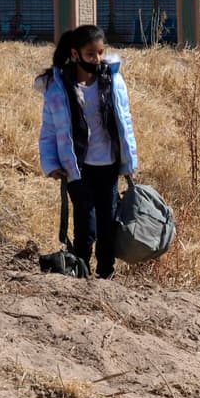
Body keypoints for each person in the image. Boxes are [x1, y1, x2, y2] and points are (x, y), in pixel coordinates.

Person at [37, 24, 139, 279]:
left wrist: (129, 159)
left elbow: (125, 121)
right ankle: (81, 275)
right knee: (86, 226)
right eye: (91, 54)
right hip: (77, 167)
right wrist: (51, 164)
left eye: (101, 53)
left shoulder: (113, 81)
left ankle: (106, 276)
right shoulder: (59, 88)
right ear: (75, 54)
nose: (97, 59)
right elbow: (49, 129)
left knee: (108, 224)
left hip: (108, 164)